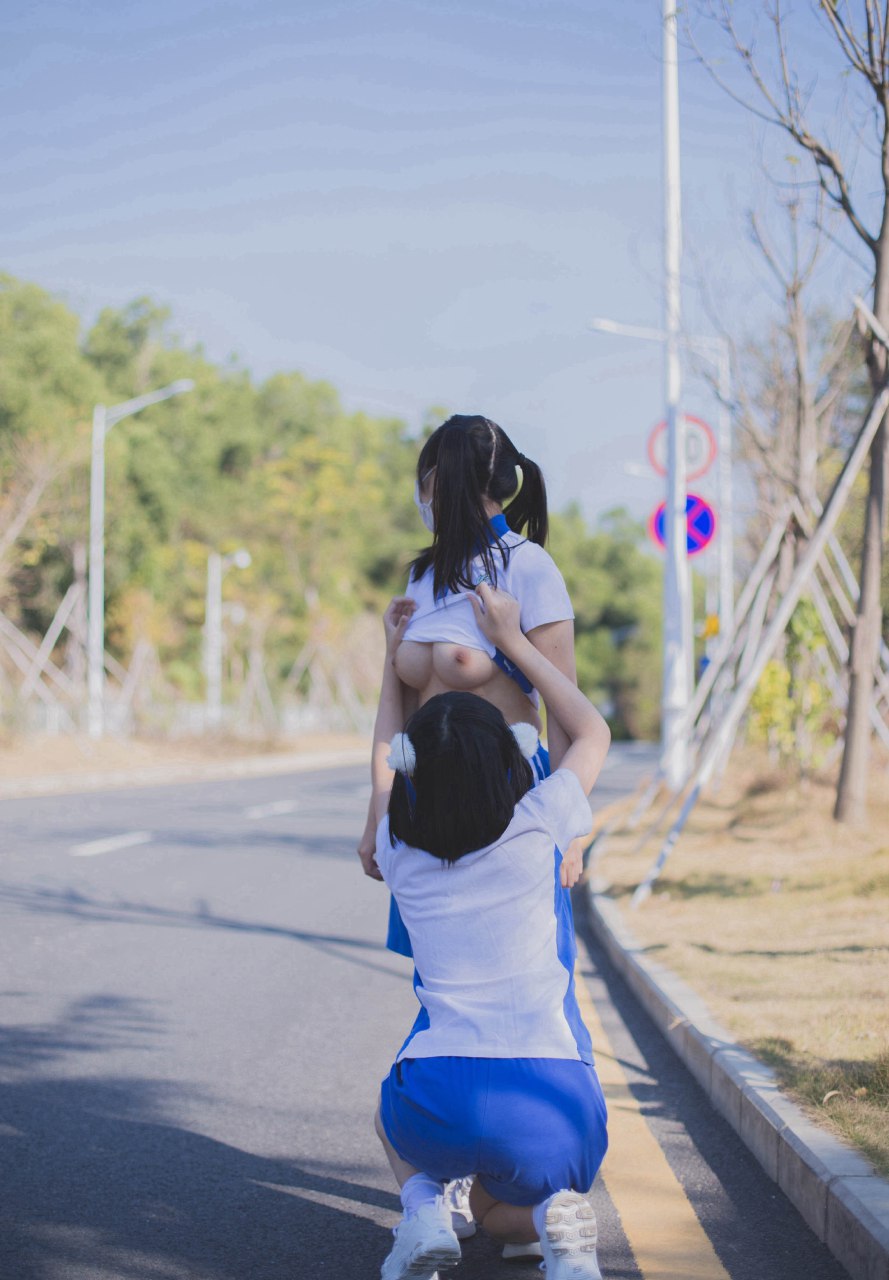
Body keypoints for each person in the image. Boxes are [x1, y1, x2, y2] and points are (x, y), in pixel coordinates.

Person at [369, 584, 611, 1280]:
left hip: (438, 1093)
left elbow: (388, 757)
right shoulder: (541, 821)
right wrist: (512, 641)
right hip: (555, 1101)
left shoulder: (397, 848)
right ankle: (550, 1218)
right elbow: (591, 731)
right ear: (508, 764)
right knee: (505, 1208)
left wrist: (393, 662)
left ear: (412, 771)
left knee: (391, 1121)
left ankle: (420, 1209)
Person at [357, 414, 590, 942]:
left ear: (447, 479)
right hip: (423, 804)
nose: (422, 494)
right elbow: (400, 705)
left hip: (503, 797)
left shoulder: (528, 568)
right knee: (440, 976)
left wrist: (569, 828)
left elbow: (565, 707)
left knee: (518, 966)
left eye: (428, 478)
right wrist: (377, 814)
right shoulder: (423, 575)